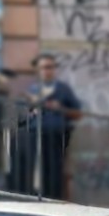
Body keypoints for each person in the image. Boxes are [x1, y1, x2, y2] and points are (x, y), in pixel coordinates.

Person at [24, 53, 83, 199]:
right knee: (37, 171)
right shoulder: (32, 90)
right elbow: (22, 116)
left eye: (50, 67)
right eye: (43, 68)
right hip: (35, 134)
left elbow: (78, 113)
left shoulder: (63, 89)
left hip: (57, 135)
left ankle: (54, 201)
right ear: (37, 70)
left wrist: (60, 108)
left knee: (56, 172)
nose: (47, 71)